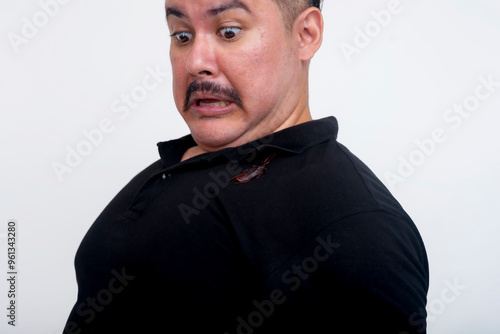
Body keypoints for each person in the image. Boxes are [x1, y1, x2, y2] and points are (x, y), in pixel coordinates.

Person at [64, 0, 429, 333]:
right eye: (182, 35)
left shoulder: (357, 227)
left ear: (306, 35)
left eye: (229, 32)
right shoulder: (192, 156)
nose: (195, 62)